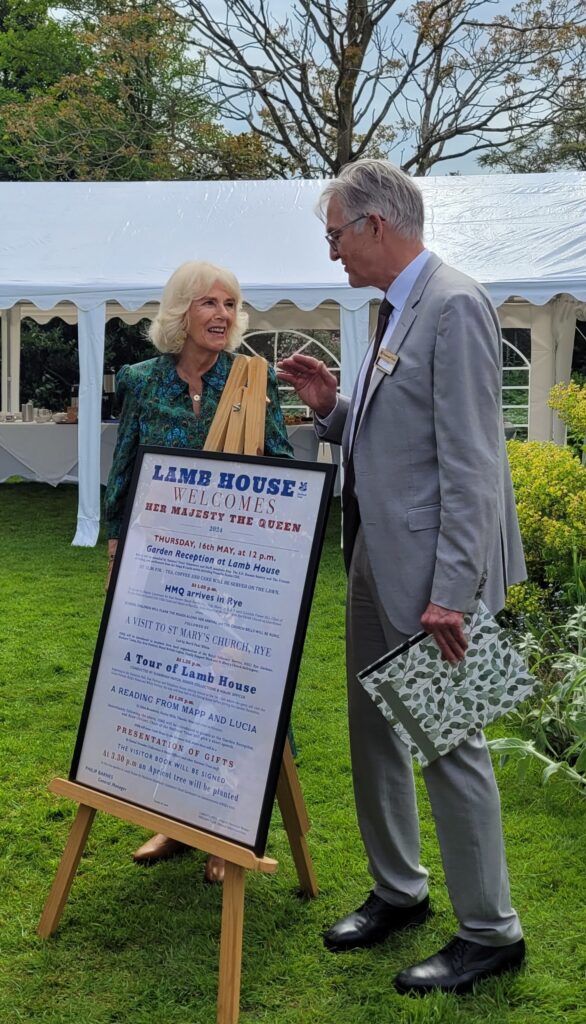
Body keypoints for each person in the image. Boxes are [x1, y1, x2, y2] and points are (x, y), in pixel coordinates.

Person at [277, 159, 527, 996]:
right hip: (375, 559)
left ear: (375, 226)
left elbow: (474, 462)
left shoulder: (453, 303)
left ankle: (490, 931)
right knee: (373, 732)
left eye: (335, 236)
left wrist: (453, 591)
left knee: (450, 744)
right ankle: (399, 889)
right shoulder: (398, 306)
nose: (333, 253)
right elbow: (401, 433)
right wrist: (331, 408)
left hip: (429, 579)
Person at [105, 259, 293, 882]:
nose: (222, 314)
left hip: (232, 569)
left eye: (230, 304)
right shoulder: (140, 380)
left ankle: (226, 828)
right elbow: (125, 466)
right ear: (180, 311)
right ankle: (174, 817)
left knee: (229, 687)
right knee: (168, 687)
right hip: (160, 565)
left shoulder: (253, 380)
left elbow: (281, 466)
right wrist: (116, 547)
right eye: (209, 302)